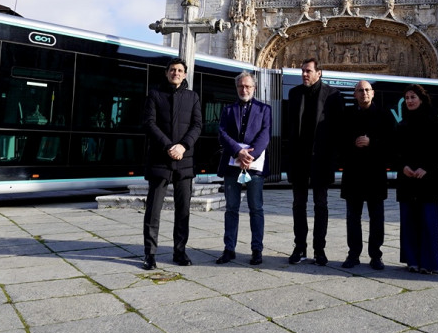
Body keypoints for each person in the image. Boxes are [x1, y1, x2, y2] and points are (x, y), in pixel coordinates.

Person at [141, 58, 203, 269]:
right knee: (153, 210)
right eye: (173, 70)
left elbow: (197, 125)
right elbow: (149, 123)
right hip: (160, 159)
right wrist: (169, 146)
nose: (176, 73)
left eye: (180, 70)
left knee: (183, 210)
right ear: (166, 73)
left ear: (185, 74)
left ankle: (180, 252)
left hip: (184, 161)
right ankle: (150, 254)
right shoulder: (155, 94)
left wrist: (183, 146)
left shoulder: (192, 97)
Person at [284, 57, 344, 265]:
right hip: (299, 161)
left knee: (321, 205)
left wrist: (333, 159)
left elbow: (338, 131)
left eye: (308, 71)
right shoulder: (294, 94)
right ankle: (300, 247)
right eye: (302, 71)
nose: (304, 74)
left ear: (319, 73)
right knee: (298, 205)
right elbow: (289, 129)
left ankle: (320, 249)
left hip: (321, 161)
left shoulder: (333, 95)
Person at [339, 80, 396, 269]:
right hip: (353, 174)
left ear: (372, 93)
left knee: (376, 218)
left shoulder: (384, 114)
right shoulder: (346, 114)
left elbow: (393, 144)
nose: (363, 93)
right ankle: (353, 254)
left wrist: (372, 142)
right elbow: (337, 142)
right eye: (360, 91)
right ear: (354, 95)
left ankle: (376, 255)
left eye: (367, 90)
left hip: (375, 174)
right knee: (353, 217)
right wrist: (352, 143)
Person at [216, 71, 271, 265]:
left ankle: (257, 249)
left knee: (256, 208)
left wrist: (249, 156)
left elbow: (265, 135)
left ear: (254, 88)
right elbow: (222, 133)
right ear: (237, 87)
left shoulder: (265, 109)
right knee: (231, 208)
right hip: (232, 165)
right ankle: (229, 248)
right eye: (241, 86)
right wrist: (238, 152)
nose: (244, 89)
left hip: (254, 167)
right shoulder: (228, 110)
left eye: (248, 86)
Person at [395, 84, 438, 274]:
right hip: (407, 180)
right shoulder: (402, 124)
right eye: (407, 98)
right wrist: (403, 167)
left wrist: (428, 168)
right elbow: (396, 151)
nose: (409, 101)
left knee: (428, 222)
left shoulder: (434, 122)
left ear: (421, 99)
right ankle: (412, 260)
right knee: (409, 222)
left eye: (413, 97)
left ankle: (429, 262)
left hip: (428, 180)